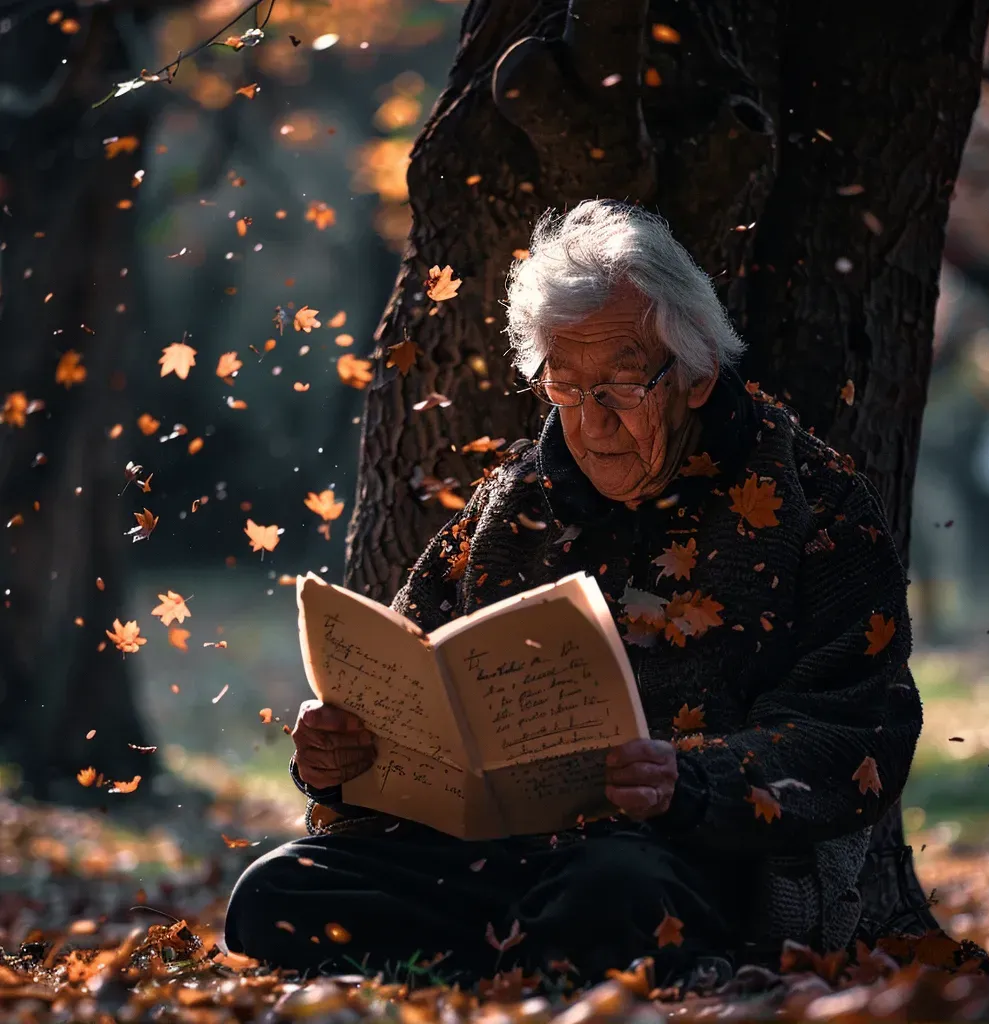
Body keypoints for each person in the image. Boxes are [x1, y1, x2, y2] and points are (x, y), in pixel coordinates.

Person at [225, 200, 923, 989]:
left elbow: (855, 731)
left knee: (611, 897)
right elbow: (406, 677)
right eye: (564, 387)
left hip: (675, 857)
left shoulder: (814, 497)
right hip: (479, 860)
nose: (591, 426)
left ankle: (526, 969)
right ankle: (533, 971)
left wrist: (690, 781)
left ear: (694, 375)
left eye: (621, 387)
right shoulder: (510, 501)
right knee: (271, 896)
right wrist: (335, 755)